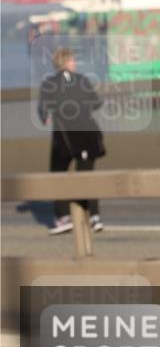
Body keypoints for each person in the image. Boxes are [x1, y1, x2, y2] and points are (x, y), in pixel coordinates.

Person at [37, 47, 105, 235]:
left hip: (65, 137)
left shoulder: (49, 83)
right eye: (73, 60)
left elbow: (43, 110)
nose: (75, 63)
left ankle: (64, 217)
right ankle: (94, 217)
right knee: (87, 177)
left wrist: (47, 116)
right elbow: (96, 103)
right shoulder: (82, 80)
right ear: (66, 62)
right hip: (88, 136)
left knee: (58, 174)